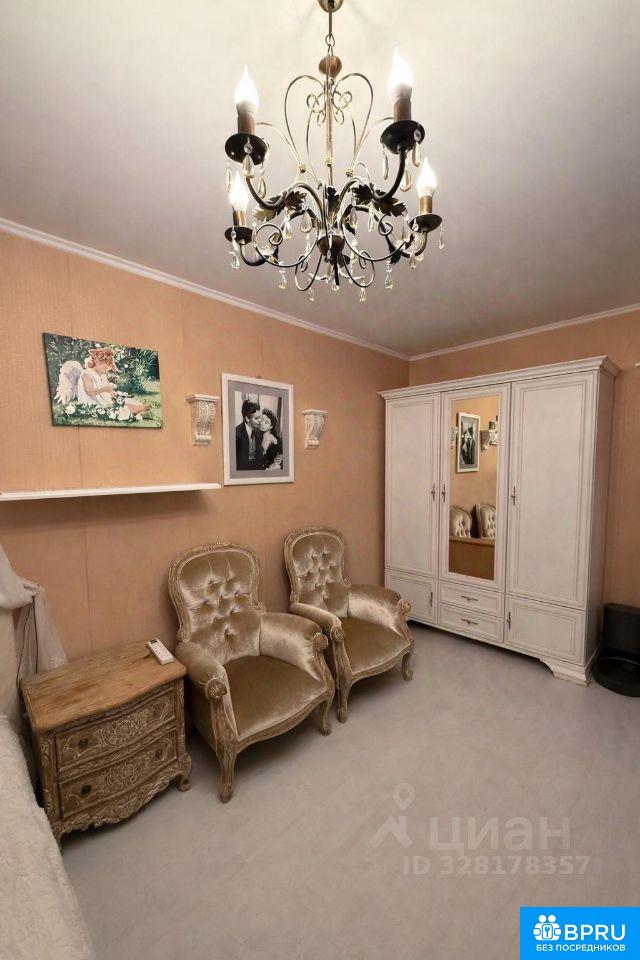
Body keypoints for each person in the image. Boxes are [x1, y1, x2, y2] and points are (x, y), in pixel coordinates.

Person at [76, 348, 149, 417]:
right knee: (121, 408)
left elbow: (105, 388)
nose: (106, 371)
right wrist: (105, 389)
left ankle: (141, 409)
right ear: (97, 362)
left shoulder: (102, 375)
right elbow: (89, 392)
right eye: (105, 368)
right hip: (91, 404)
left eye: (108, 370)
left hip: (102, 401)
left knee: (127, 402)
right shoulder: (86, 374)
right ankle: (142, 409)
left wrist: (111, 392)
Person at [235, 399, 264, 470]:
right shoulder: (236, 434)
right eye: (257, 418)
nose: (260, 421)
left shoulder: (260, 432)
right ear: (247, 419)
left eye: (260, 417)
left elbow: (259, 458)